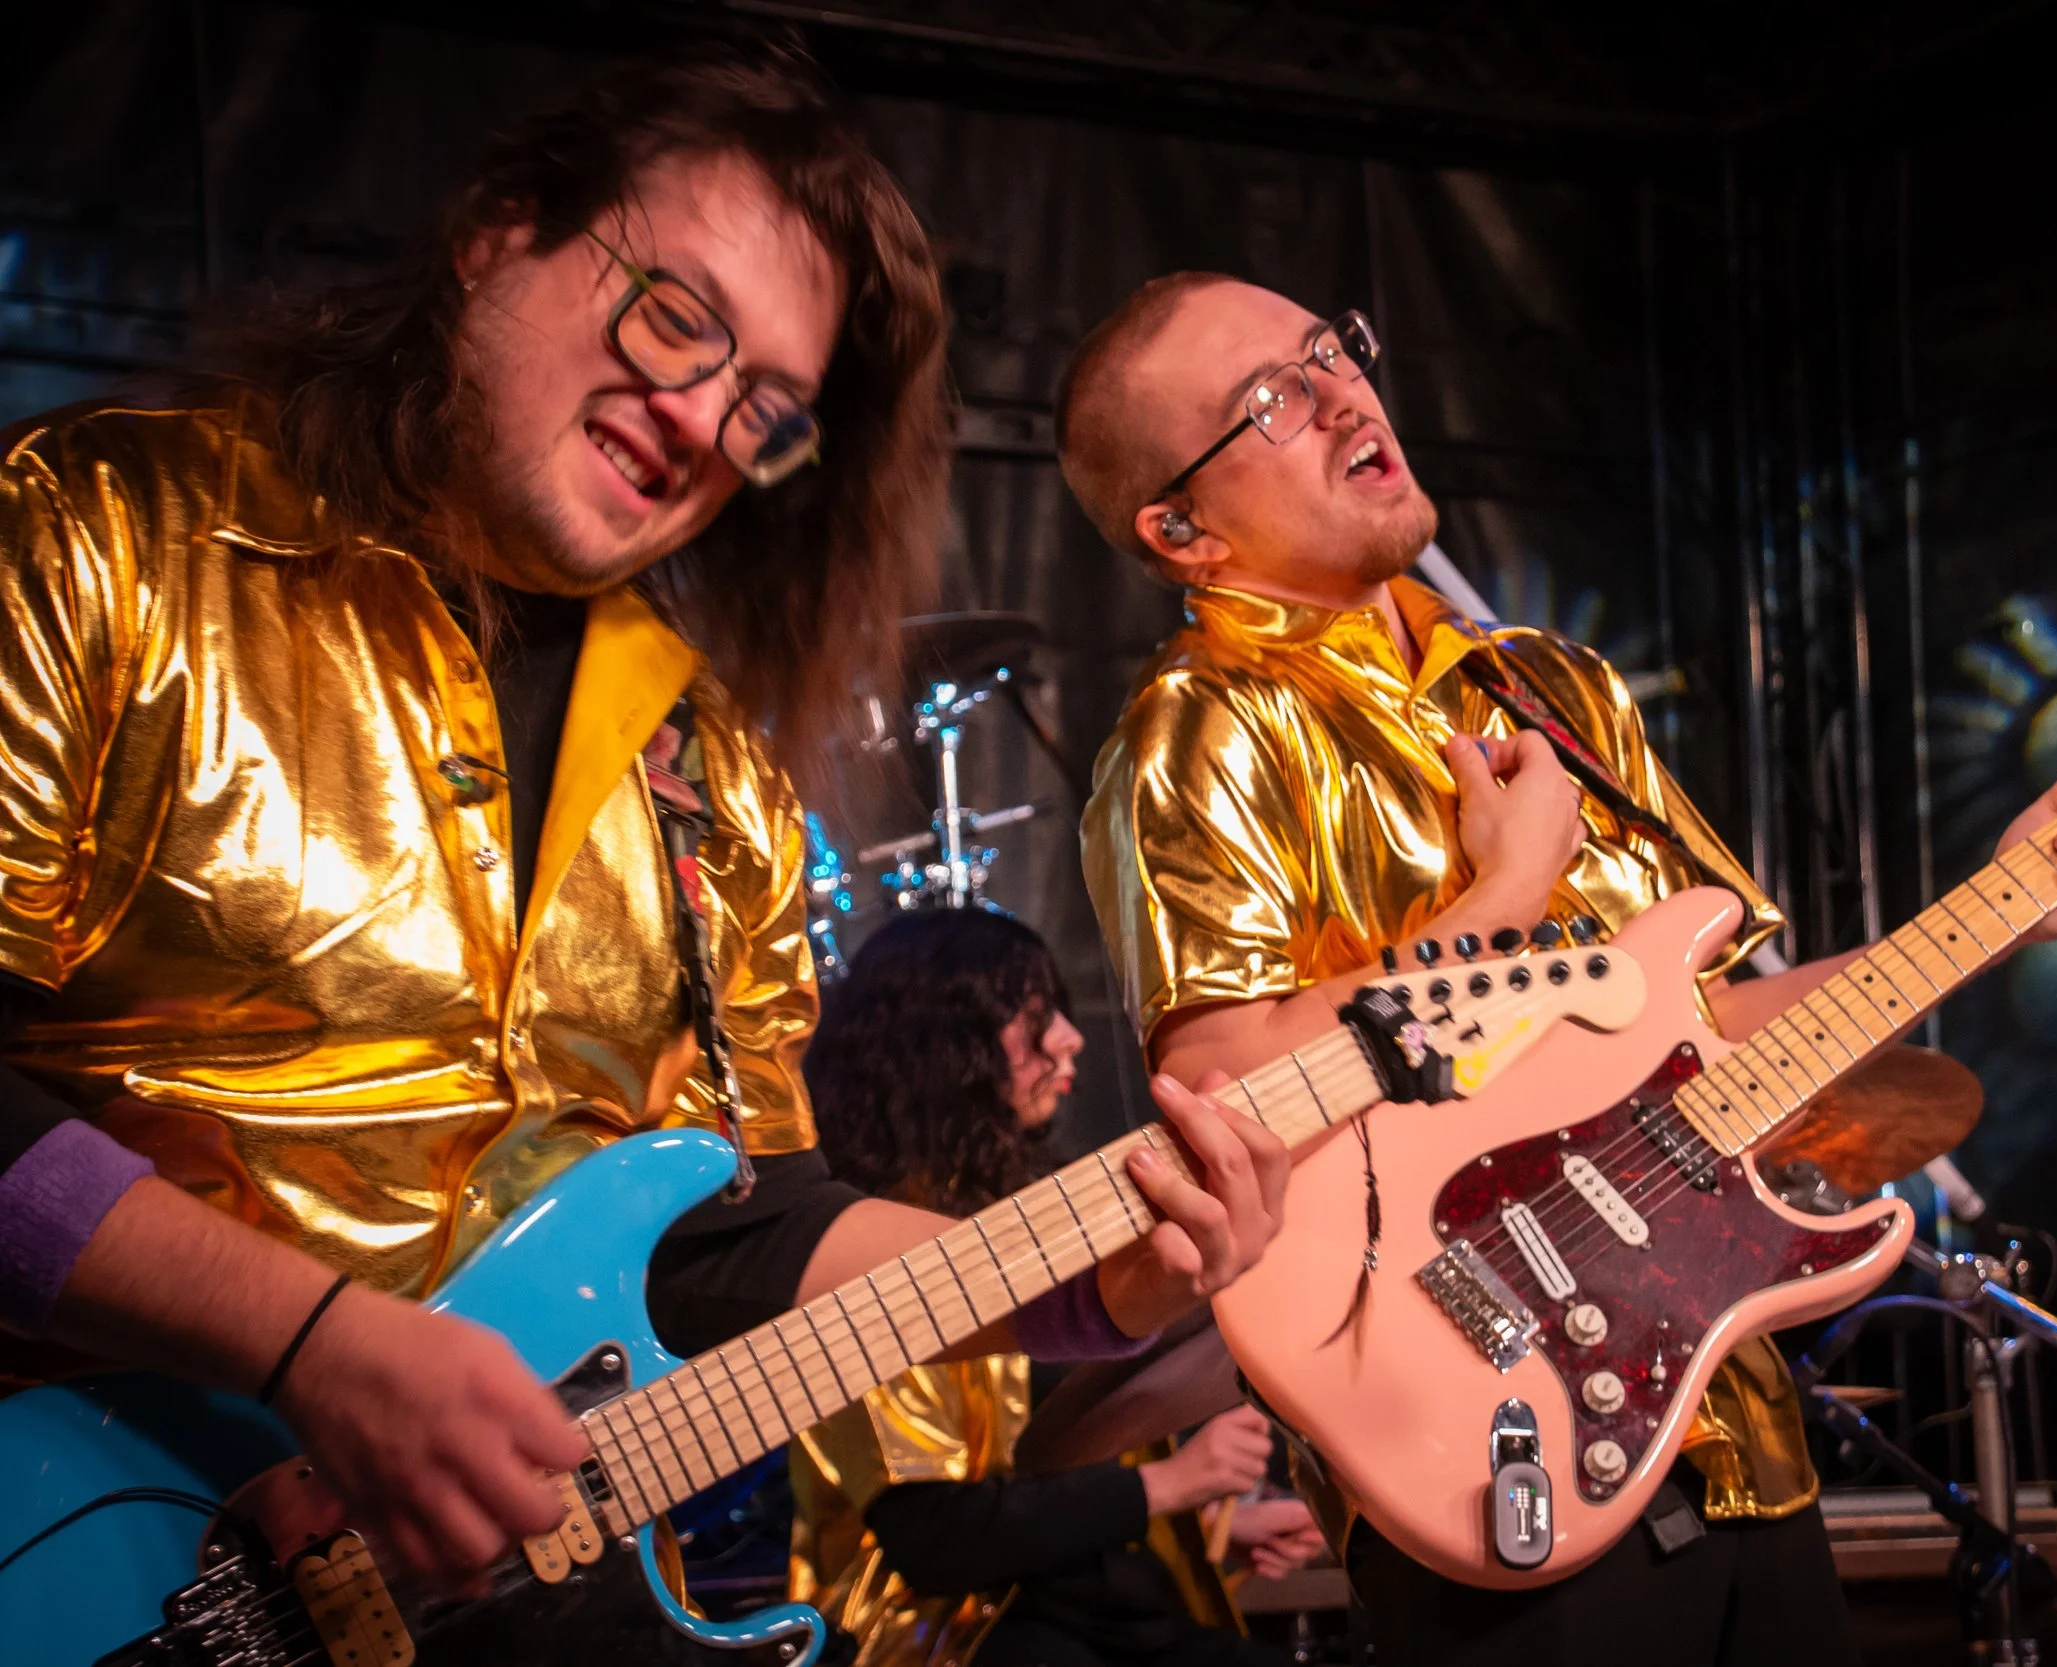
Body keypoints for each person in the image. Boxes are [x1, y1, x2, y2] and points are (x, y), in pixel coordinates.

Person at [0, 51, 1286, 1595]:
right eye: (677, 319)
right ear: (499, 232)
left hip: (527, 1590)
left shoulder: (707, 762)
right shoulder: (104, 533)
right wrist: (309, 1346)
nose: (695, 419)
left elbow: (740, 1236)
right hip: (99, 1561)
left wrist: (1098, 1283)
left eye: (766, 409)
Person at [1055, 272, 2057, 1666]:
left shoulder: (1547, 683)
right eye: (1270, 400)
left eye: (1331, 349)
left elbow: (1713, 1030)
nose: (1346, 391)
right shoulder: (1201, 725)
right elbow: (1227, 1107)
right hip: (1483, 1451)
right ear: (1182, 530)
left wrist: (2006, 908)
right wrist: (1505, 892)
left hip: (1725, 1419)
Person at [793, 909, 1320, 1667]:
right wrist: (1174, 1482)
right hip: (961, 1639)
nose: (1070, 1036)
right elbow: (935, 1538)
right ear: (945, 1040)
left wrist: (1218, 1523)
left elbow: (1071, 1465)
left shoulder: (1027, 1211)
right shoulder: (866, 1251)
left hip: (1088, 1620)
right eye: (1032, 1013)